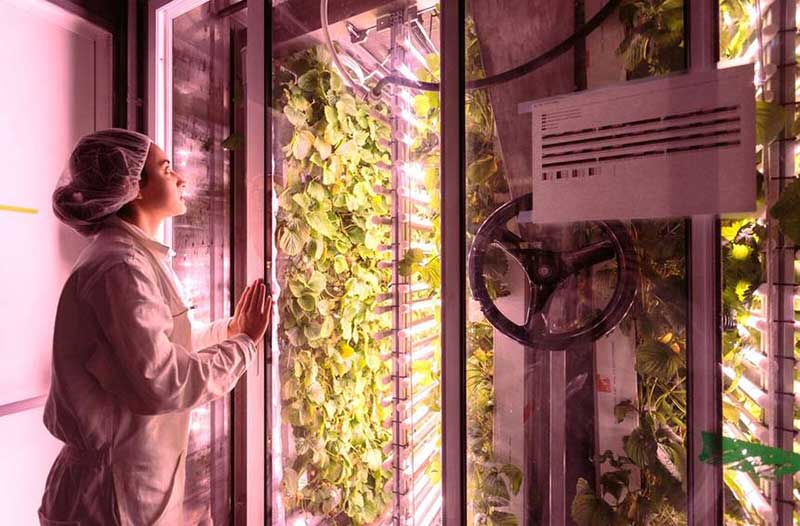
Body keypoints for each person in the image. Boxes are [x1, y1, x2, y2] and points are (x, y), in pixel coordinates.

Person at [39, 128, 271, 525]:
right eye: (167, 170)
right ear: (135, 188)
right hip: (106, 501)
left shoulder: (134, 258)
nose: (181, 178)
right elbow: (162, 381)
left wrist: (230, 331)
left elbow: (160, 350)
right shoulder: (120, 268)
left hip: (122, 487)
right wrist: (245, 344)